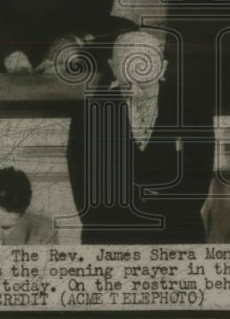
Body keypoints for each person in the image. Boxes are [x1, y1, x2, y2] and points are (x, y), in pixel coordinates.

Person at [66, 30, 214, 244]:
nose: (135, 91)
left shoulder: (192, 110)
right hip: (111, 241)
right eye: (127, 82)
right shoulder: (87, 116)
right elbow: (88, 201)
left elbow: (194, 190)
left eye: (144, 82)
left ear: (162, 68)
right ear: (112, 67)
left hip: (177, 239)